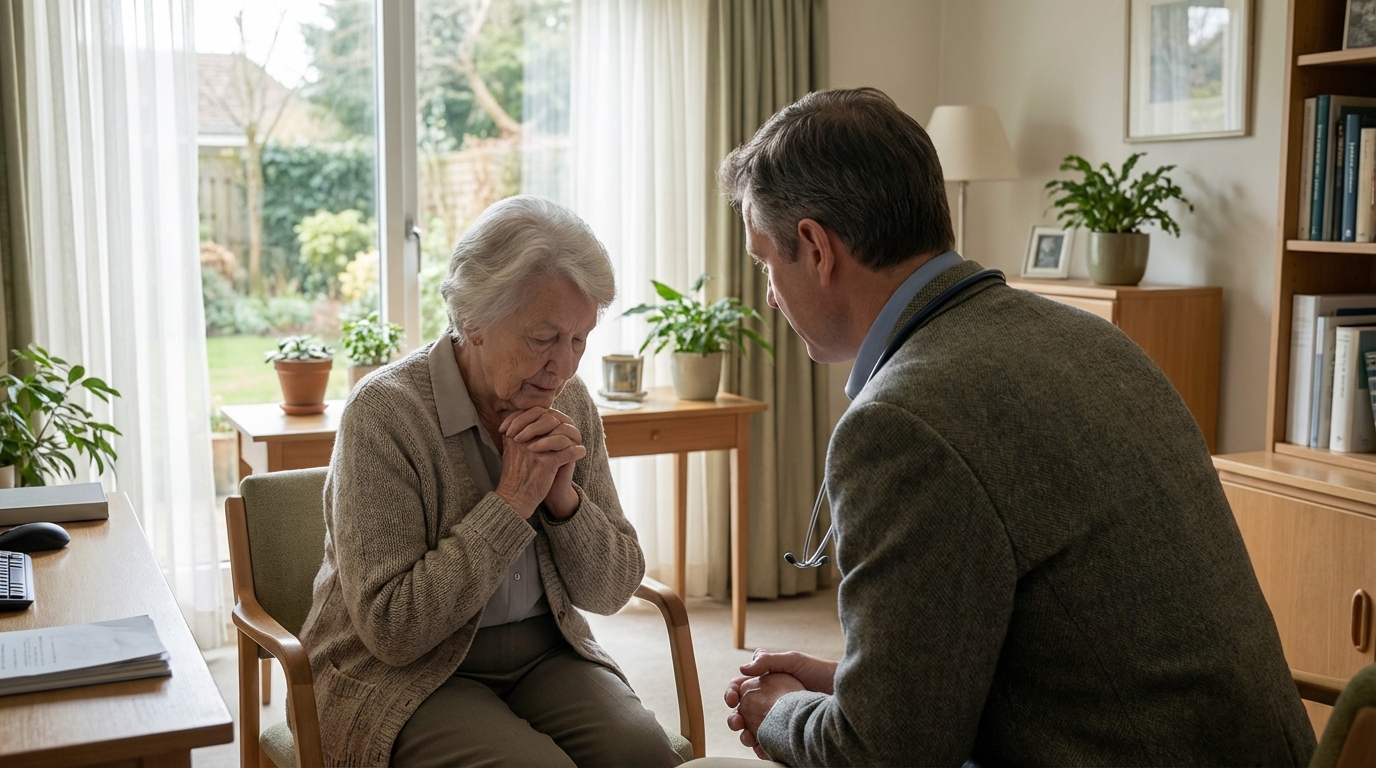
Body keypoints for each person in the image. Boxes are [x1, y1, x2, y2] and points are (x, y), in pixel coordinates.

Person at [712, 88, 1314, 766]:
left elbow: (882, 756)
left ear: (817, 248)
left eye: (766, 260)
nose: (768, 291)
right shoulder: (1091, 339)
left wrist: (779, 713)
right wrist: (855, 687)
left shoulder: (900, 422)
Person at [299, 196, 683, 767]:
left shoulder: (570, 401)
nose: (565, 365)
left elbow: (612, 589)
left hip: (545, 654)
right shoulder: (384, 413)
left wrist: (564, 504)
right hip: (402, 675)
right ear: (472, 319)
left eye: (579, 338)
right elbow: (392, 629)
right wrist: (512, 502)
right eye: (544, 337)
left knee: (647, 757)